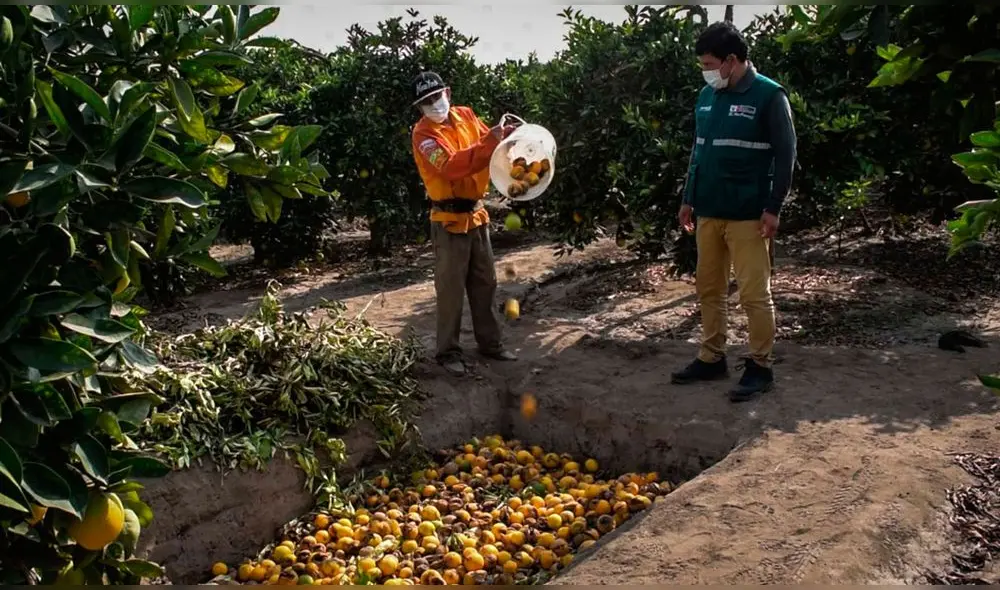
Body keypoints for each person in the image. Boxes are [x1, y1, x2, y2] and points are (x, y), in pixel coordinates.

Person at [671, 22, 797, 402]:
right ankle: (712, 357)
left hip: (748, 215)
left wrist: (773, 207)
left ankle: (761, 365)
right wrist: (688, 198)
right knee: (708, 287)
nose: (705, 71)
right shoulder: (707, 97)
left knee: (754, 295)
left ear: (731, 61)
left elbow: (787, 154)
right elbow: (699, 151)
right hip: (709, 210)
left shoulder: (769, 96)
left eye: (709, 63)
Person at [410, 71, 518, 376]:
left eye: (436, 97)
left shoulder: (466, 115)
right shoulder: (423, 135)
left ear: (448, 92)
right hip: (448, 220)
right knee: (450, 290)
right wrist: (490, 143)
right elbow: (452, 167)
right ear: (419, 108)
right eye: (425, 103)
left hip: (477, 215)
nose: (433, 105)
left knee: (486, 284)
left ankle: (491, 345)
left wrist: (507, 139)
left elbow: (490, 146)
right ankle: (448, 353)